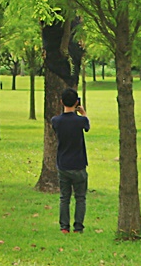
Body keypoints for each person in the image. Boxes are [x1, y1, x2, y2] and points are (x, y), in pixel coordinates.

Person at [51, 88, 89, 234]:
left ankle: (64, 227)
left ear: (61, 102)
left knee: (64, 198)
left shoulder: (56, 121)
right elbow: (87, 126)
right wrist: (83, 113)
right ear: (77, 102)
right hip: (79, 164)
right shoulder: (80, 121)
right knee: (80, 197)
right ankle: (78, 227)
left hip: (63, 164)